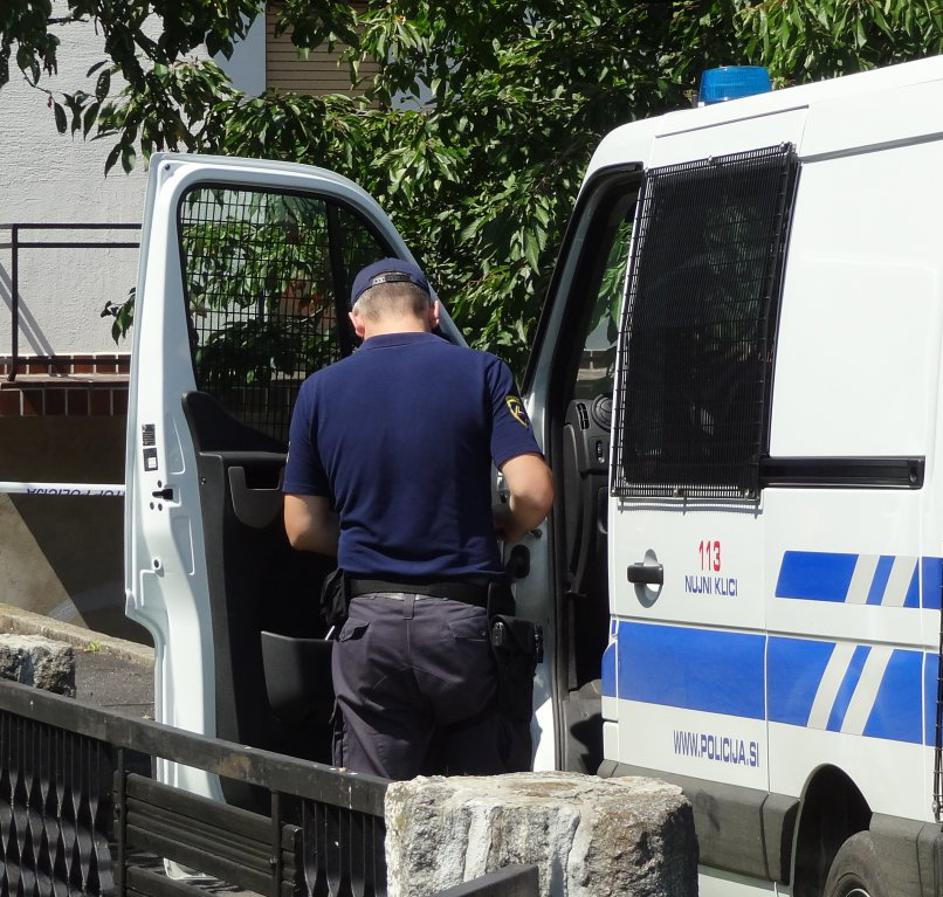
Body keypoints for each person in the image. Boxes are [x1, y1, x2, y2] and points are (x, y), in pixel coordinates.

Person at [282, 257, 554, 779]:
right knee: (482, 802)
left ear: (356, 322)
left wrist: (371, 535)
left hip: (369, 629)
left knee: (376, 803)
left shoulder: (319, 390)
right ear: (433, 312)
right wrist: (506, 526)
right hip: (463, 627)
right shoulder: (483, 371)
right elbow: (533, 491)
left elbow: (301, 526)